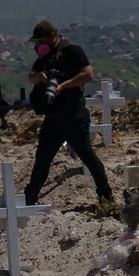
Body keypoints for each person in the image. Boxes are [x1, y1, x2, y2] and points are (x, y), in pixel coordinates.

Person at [22, 19, 114, 208]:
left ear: (52, 36)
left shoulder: (72, 51)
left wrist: (63, 86)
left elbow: (87, 74)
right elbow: (31, 76)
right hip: (53, 117)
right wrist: (39, 77)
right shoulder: (45, 57)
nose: (39, 45)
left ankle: (105, 195)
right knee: (42, 159)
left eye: (41, 41)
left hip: (73, 115)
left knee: (87, 155)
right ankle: (30, 199)